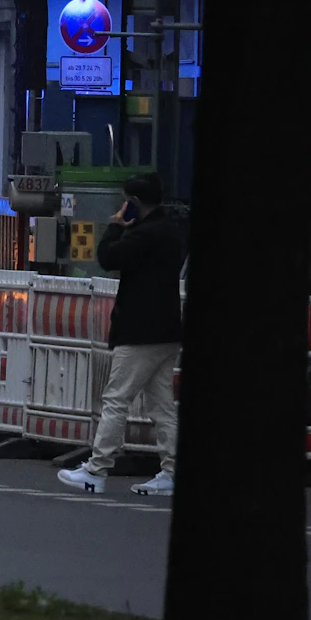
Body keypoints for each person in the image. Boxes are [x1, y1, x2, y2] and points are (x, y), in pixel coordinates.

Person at [58, 174, 183, 496]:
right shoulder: (170, 230)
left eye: (126, 201)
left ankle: (96, 470)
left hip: (140, 330)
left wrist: (114, 226)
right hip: (167, 328)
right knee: (162, 406)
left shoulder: (143, 235)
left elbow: (107, 258)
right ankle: (172, 472)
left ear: (134, 203)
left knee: (116, 399)